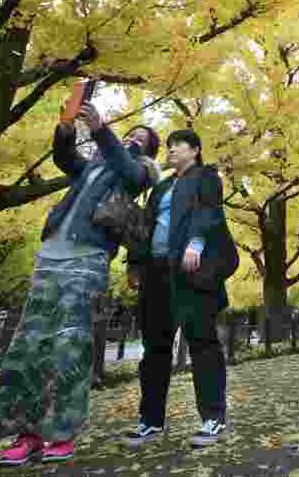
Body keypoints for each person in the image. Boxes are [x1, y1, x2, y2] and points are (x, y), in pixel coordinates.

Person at [0, 104, 160, 466]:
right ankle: (26, 433)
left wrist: (107, 135)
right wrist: (65, 130)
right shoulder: (92, 165)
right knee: (30, 345)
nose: (132, 140)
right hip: (51, 255)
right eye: (131, 135)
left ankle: (61, 433)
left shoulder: (140, 171)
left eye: (141, 140)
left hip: (88, 259)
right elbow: (65, 158)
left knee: (69, 345)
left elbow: (128, 170)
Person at [124, 129, 235, 449]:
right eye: (169, 146)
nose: (171, 151)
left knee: (202, 343)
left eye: (178, 146)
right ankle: (150, 422)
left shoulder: (206, 177)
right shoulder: (161, 186)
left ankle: (213, 419)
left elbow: (209, 212)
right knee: (155, 349)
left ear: (195, 150)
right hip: (156, 272)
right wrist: (135, 262)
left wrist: (196, 243)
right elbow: (145, 224)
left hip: (191, 271)